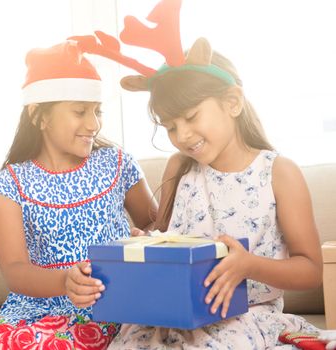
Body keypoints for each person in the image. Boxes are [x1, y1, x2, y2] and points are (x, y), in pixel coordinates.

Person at [76, 0, 323, 348]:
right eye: (170, 126)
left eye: (191, 117)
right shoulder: (179, 167)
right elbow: (163, 234)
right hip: (171, 312)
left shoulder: (277, 173)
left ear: (232, 102)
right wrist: (143, 242)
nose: (182, 135)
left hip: (244, 315)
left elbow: (311, 270)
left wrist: (248, 265)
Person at [0, 40, 157, 349]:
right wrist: (64, 281)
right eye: (79, 112)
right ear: (39, 116)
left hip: (109, 307)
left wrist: (146, 238)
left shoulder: (116, 163)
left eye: (97, 111)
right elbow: (15, 271)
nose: (94, 124)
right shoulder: (10, 184)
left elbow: (158, 224)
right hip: (33, 312)